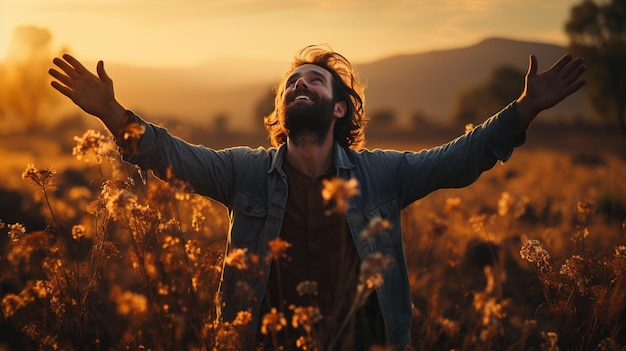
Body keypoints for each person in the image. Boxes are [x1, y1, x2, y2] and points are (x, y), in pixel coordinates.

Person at [48, 45, 585, 350]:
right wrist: (112, 115)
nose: (300, 85)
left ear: (339, 109)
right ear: (281, 110)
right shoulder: (244, 172)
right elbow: (169, 155)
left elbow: (458, 159)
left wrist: (524, 110)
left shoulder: (383, 175)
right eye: (292, 83)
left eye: (314, 81)